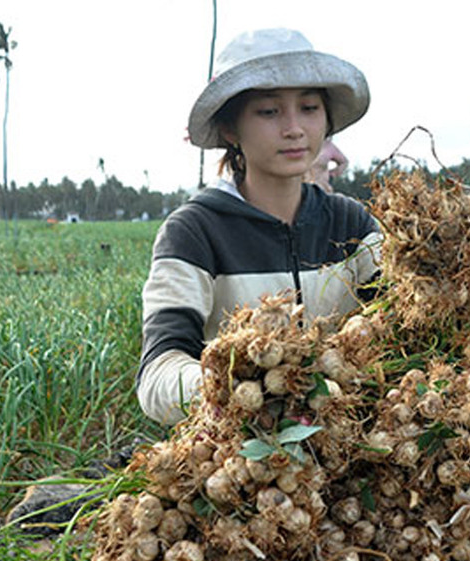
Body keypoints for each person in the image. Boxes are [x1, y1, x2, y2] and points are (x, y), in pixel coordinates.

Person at [138, 28, 381, 425]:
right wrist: (239, 388)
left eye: (308, 108)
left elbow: (404, 320)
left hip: (350, 437)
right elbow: (157, 373)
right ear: (231, 129)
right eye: (269, 112)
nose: (294, 129)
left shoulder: (351, 222)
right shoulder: (194, 231)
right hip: (241, 451)